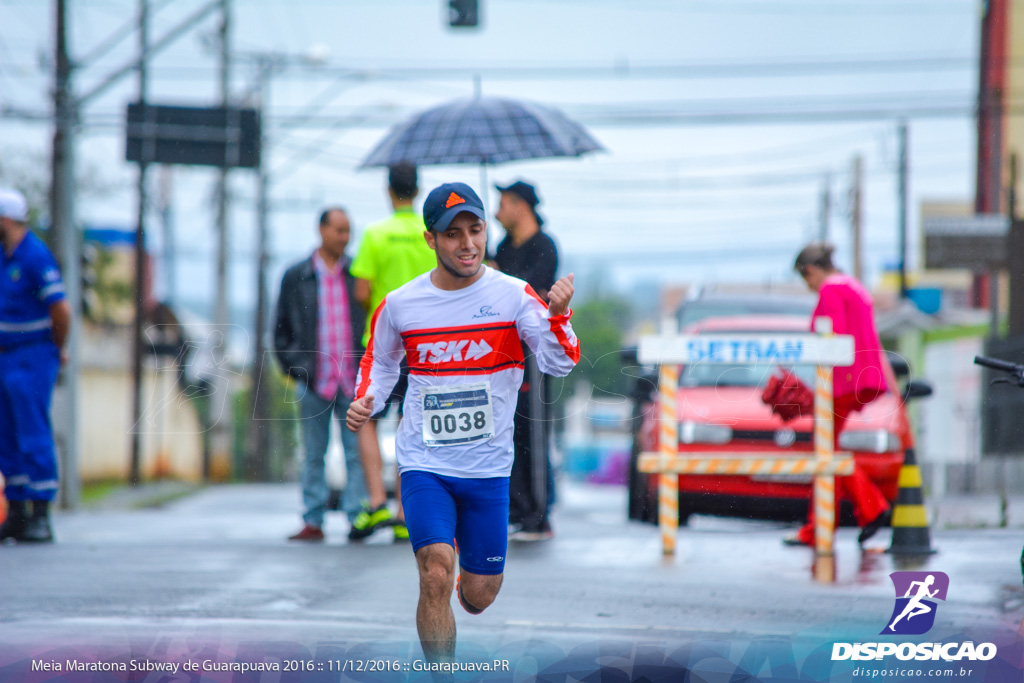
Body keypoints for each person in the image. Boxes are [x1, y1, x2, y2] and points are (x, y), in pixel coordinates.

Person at [346, 182, 579, 664]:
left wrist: (557, 317)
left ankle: (464, 586)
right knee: (434, 572)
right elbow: (382, 361)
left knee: (479, 594)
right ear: (430, 240)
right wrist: (366, 398)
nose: (468, 243)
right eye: (453, 234)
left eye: (476, 230)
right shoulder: (401, 304)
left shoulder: (515, 296)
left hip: (489, 468)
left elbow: (559, 363)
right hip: (424, 463)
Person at [348, 161, 436, 542]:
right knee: (410, 422)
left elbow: (362, 291)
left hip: (381, 343)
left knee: (367, 418)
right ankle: (405, 511)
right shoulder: (430, 234)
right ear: (417, 191)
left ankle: (376, 501)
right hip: (424, 345)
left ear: (389, 191)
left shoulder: (375, 234)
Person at [784, 242, 892, 547]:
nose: (808, 286)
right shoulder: (852, 286)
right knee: (826, 449)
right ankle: (823, 525)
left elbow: (833, 339)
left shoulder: (831, 290)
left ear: (812, 270)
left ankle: (868, 507)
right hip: (864, 376)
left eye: (806, 278)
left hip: (843, 380)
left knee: (825, 453)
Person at [273, 207, 368, 542]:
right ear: (322, 230)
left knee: (356, 452)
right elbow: (280, 330)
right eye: (339, 230)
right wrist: (296, 368)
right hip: (314, 379)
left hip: (352, 379)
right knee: (314, 454)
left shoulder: (358, 273)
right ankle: (313, 520)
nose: (344, 237)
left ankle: (357, 517)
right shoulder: (296, 275)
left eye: (348, 231)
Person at [0, 187, 70, 544]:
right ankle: (16, 513)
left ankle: (41, 514)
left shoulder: (35, 257)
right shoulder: (4, 256)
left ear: (7, 219)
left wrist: (58, 347)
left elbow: (61, 310)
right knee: (7, 436)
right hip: (5, 355)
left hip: (32, 356)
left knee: (32, 433)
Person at [493, 180, 558, 540]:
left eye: (503, 203)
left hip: (533, 350)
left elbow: (529, 294)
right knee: (509, 429)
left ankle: (539, 514)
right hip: (504, 350)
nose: (497, 211)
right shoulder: (502, 247)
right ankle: (517, 511)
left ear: (521, 206)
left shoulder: (544, 246)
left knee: (533, 430)